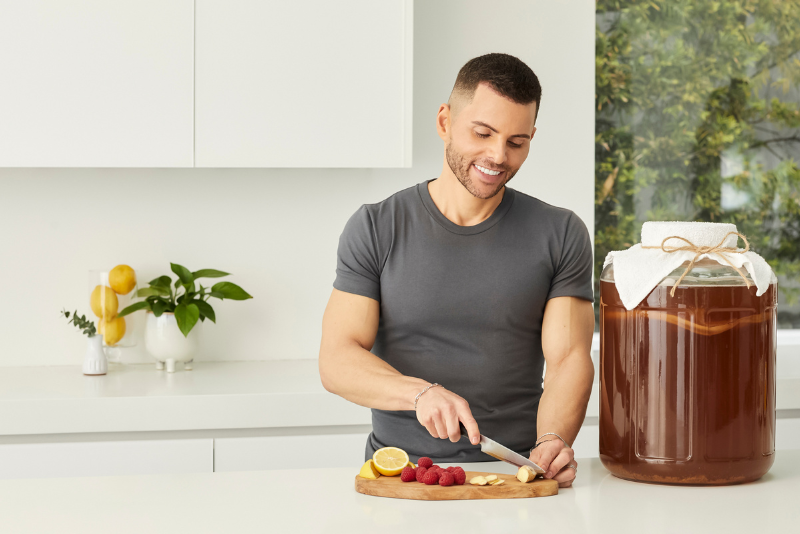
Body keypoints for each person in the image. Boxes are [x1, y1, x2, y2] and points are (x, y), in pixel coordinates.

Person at [318, 53, 594, 488]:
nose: (498, 155)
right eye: (482, 133)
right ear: (445, 121)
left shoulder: (560, 233)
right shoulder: (376, 226)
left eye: (517, 142)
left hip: (514, 474)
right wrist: (419, 393)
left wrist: (553, 438)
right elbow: (337, 359)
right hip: (403, 477)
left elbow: (568, 359)